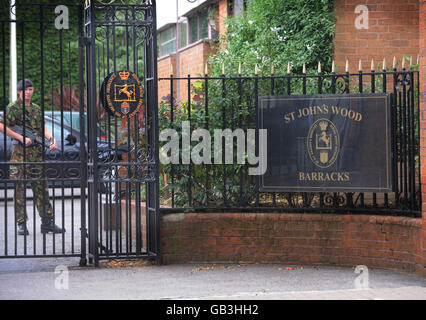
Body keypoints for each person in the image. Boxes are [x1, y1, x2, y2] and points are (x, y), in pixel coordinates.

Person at [0, 79, 65, 235]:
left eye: (30, 89)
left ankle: (47, 222)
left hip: (37, 154)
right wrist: (20, 137)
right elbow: (2, 126)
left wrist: (51, 140)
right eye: (24, 90)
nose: (28, 92)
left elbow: (43, 127)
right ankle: (21, 223)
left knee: (42, 188)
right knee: (20, 189)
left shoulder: (36, 109)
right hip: (20, 154)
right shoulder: (12, 108)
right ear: (19, 91)